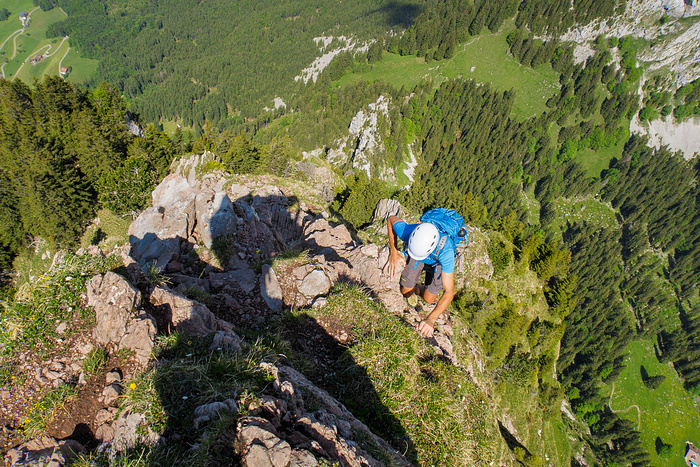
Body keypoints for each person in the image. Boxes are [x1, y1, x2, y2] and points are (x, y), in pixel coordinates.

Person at [383, 215, 456, 337]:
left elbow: (449, 291)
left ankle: (417, 289)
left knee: (429, 299)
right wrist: (393, 252)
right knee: (406, 291)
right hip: (418, 253)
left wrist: (431, 319)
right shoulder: (409, 232)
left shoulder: (446, 251)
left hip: (438, 262)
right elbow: (391, 219)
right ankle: (412, 289)